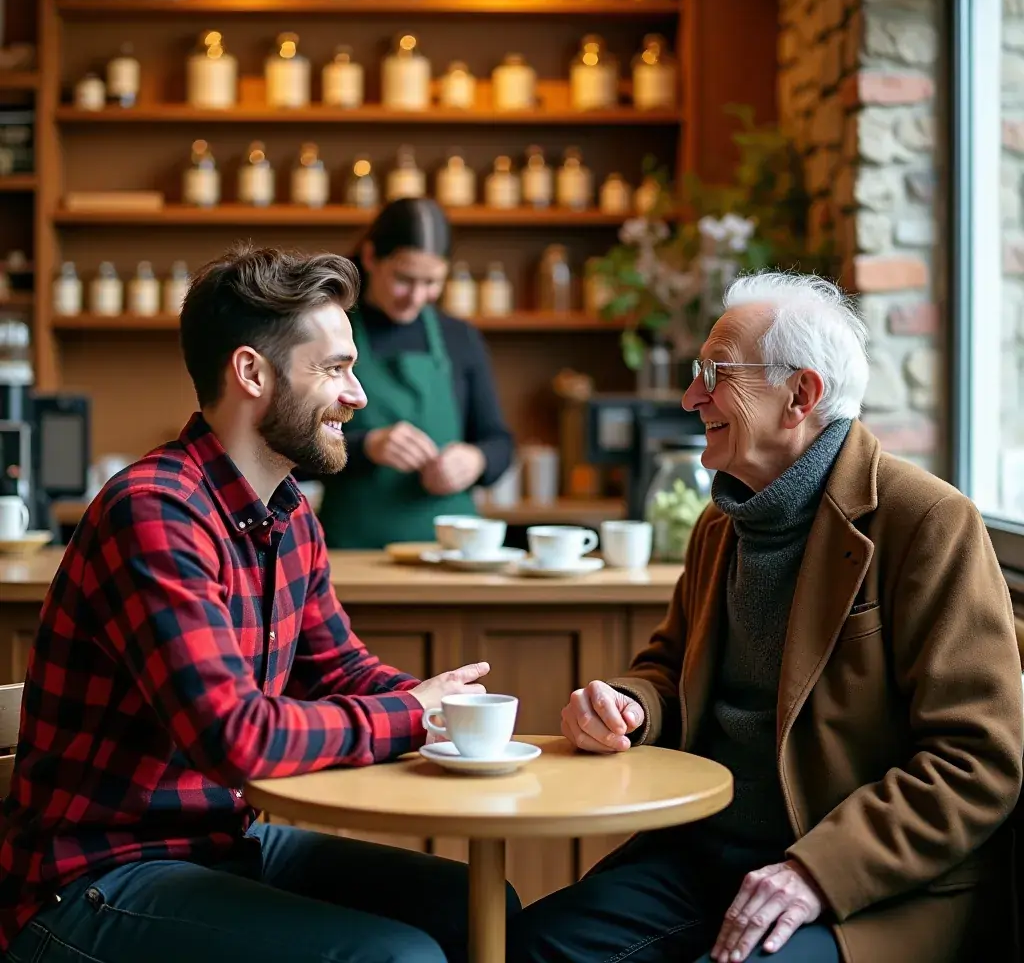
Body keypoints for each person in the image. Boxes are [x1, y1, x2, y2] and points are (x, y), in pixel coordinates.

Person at [0, 245, 520, 963]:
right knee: (398, 958)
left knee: (480, 909)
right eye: (335, 368)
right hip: (95, 881)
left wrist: (455, 713)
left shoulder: (287, 513)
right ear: (252, 372)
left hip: (220, 845)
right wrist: (412, 713)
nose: (357, 394)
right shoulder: (153, 512)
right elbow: (234, 738)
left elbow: (340, 670)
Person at [507, 272, 1023, 963]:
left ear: (800, 396)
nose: (691, 398)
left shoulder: (927, 521)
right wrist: (628, 706)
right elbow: (666, 667)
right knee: (529, 948)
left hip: (863, 888)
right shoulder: (722, 523)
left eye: (713, 374)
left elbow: (978, 759)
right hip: (704, 859)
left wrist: (818, 871)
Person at [316, 197, 514, 549]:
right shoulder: (330, 328)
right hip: (353, 549)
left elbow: (499, 442)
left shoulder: (459, 337)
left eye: (432, 282)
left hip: (453, 552)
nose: (417, 297)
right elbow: (289, 445)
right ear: (372, 256)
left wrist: (476, 460)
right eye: (404, 279)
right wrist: (366, 447)